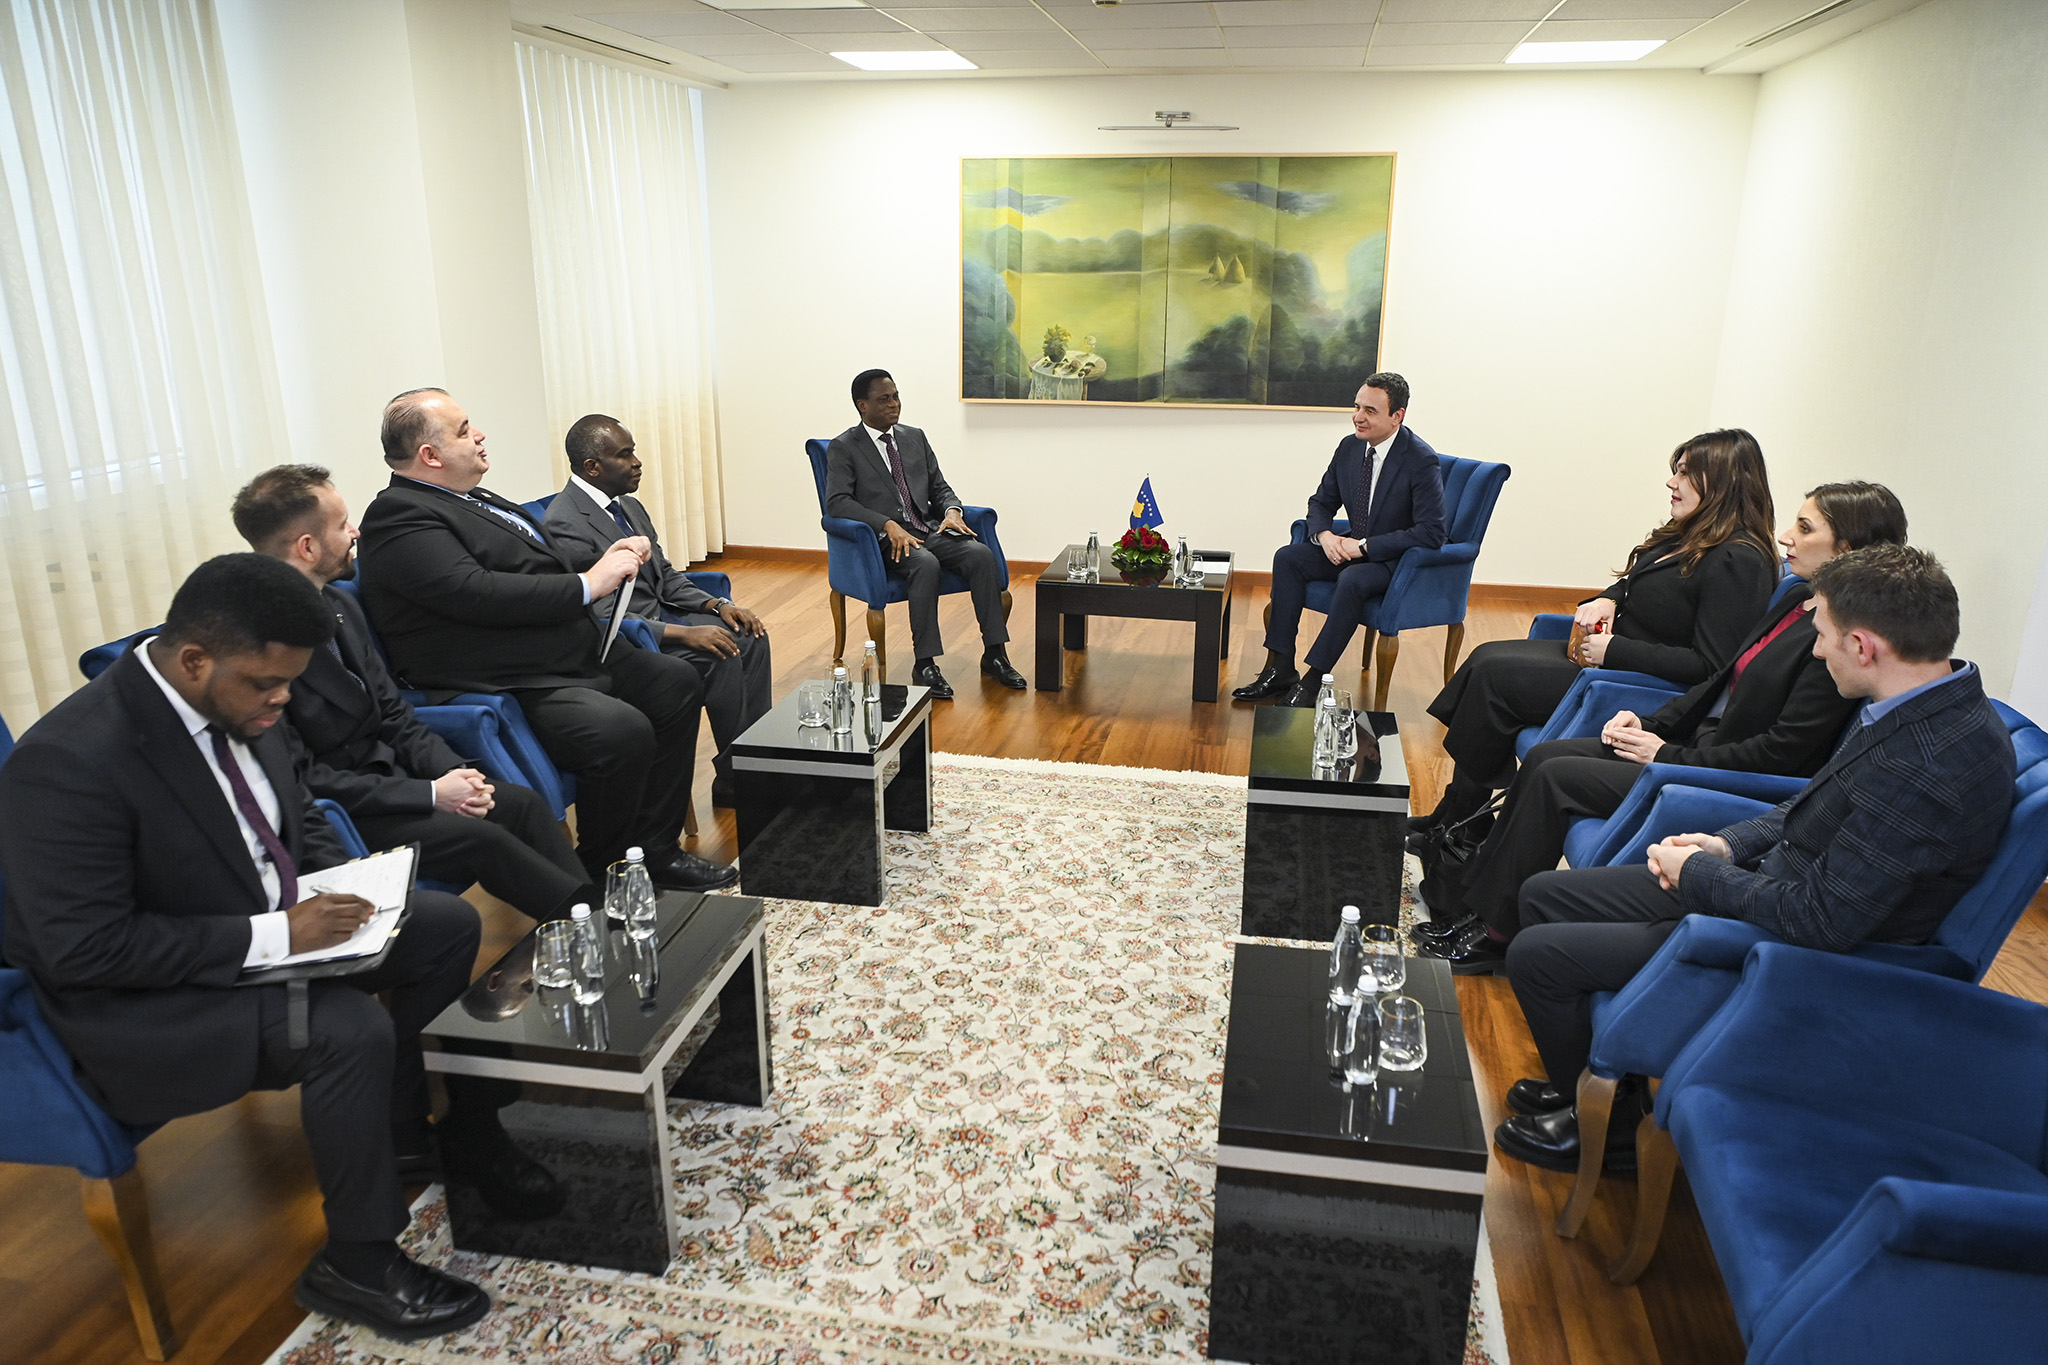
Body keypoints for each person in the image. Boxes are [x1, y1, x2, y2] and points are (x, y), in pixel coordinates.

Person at [0, 555, 495, 1339]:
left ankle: (404, 1130)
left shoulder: (246, 702)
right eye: (268, 684)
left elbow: (296, 811)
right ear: (195, 660)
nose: (283, 699)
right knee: (346, 1028)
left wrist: (343, 883)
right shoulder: (68, 762)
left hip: (263, 934)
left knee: (443, 926)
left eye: (290, 682)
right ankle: (358, 1262)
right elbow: (85, 949)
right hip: (143, 1004)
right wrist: (277, 933)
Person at [1494, 544, 2015, 1172]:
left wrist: (1701, 874)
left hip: (1789, 949)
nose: (1816, 651)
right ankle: (1596, 1085)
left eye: (1822, 636)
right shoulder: (1921, 700)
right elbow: (1814, 803)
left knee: (1537, 957)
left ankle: (1611, 1135)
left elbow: (1821, 920)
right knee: (1542, 896)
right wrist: (1726, 844)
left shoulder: (1926, 765)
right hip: (1767, 886)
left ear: (1863, 646)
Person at [1417, 482, 1909, 973]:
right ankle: (1474, 905)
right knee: (1547, 756)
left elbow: (1781, 754)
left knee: (1553, 776)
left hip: (1719, 776)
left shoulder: (1836, 646)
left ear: (1848, 549)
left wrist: (1666, 753)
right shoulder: (1798, 597)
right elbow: (1720, 680)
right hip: (1695, 747)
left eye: (1804, 528)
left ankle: (1496, 931)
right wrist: (1652, 723)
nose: (1785, 536)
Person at [354, 388, 733, 892]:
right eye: (464, 430)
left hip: (563, 649)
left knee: (676, 682)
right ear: (431, 455)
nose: (479, 435)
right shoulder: (398, 515)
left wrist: (606, 559)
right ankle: (605, 869)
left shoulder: (473, 497)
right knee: (619, 731)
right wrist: (588, 583)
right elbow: (474, 593)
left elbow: (538, 565)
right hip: (508, 675)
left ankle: (655, 850)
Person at [232, 464, 595, 922]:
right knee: (486, 840)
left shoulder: (338, 603)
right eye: (342, 526)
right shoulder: (258, 649)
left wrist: (453, 775)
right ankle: (588, 931)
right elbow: (306, 779)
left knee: (520, 805)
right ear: (307, 547)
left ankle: (592, 921)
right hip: (351, 812)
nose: (356, 532)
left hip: (399, 779)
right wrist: (429, 794)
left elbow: (394, 713)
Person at [1414, 429, 1779, 837]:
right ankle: (1460, 814)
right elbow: (1642, 582)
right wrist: (1609, 598)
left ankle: (1462, 821)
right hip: (1605, 659)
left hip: (1636, 683)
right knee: (1486, 657)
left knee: (1493, 680)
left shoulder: (1738, 560)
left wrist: (1615, 650)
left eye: (1683, 473)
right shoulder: (1692, 532)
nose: (1670, 482)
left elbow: (1711, 667)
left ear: (1723, 482)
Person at [542, 415, 771, 806]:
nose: (637, 462)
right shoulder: (565, 522)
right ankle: (735, 780)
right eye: (624, 455)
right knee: (721, 655)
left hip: (662, 614)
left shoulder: (629, 506)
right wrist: (686, 634)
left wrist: (717, 605)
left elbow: (665, 575)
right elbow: (602, 615)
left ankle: (757, 762)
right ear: (592, 467)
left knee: (750, 636)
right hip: (628, 640)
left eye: (633, 452)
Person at [1234, 372, 1448, 706]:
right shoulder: (1350, 447)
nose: (1358, 417)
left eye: (1370, 411)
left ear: (1397, 416)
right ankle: (1280, 668)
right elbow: (1321, 502)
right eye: (1357, 407)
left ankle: (1314, 680)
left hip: (1391, 561)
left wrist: (1364, 547)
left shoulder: (1420, 460)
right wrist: (1325, 536)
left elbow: (1432, 532)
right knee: (1288, 558)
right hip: (1349, 547)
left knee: (1352, 579)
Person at [824, 369, 1021, 698]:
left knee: (980, 555)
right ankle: (925, 663)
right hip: (885, 541)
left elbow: (939, 487)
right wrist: (886, 524)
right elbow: (838, 502)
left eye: (896, 396)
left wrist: (952, 511)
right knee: (924, 564)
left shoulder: (914, 437)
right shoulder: (844, 447)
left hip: (927, 528)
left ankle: (995, 655)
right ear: (862, 405)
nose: (894, 404)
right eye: (884, 399)